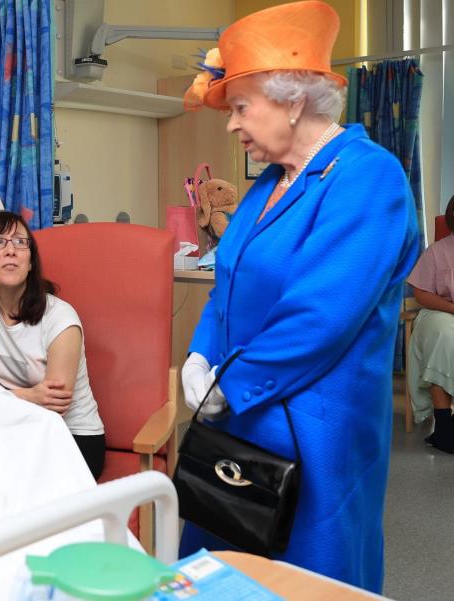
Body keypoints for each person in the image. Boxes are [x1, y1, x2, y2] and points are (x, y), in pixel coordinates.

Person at [179, 1, 420, 593]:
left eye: (240, 107)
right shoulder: (269, 181)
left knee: (309, 577)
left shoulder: (368, 177)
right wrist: (199, 353)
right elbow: (227, 283)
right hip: (237, 419)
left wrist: (226, 382)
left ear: (291, 100)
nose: (232, 125)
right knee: (223, 570)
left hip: (314, 427)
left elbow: (320, 317)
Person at [0, 211, 105, 479]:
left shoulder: (61, 320)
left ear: (30, 264)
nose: (11, 251)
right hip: (7, 430)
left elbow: (52, 408)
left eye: (20, 243)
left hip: (71, 440)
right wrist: (29, 396)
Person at [407, 194, 454, 452]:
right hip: (438, 312)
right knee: (445, 335)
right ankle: (445, 426)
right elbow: (422, 293)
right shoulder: (437, 251)